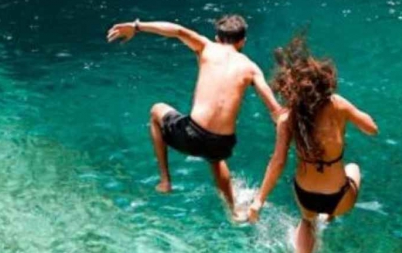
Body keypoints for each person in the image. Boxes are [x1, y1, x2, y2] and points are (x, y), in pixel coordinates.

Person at [106, 14, 281, 211]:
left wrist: (136, 26)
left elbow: (177, 30)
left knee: (156, 110)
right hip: (222, 144)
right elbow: (276, 111)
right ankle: (234, 210)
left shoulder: (206, 47)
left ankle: (165, 181)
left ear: (217, 38)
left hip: (192, 135)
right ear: (243, 41)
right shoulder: (251, 68)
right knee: (216, 160)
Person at [249, 32, 377, 253]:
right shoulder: (337, 105)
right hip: (338, 197)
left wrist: (259, 200)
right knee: (353, 168)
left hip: (305, 194)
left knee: (306, 221)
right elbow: (372, 128)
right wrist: (346, 117)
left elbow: (278, 162)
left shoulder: (288, 118)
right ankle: (329, 218)